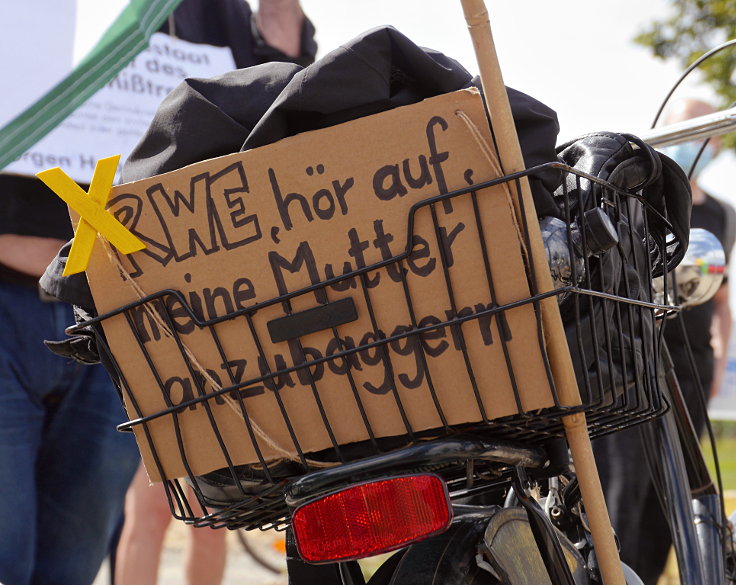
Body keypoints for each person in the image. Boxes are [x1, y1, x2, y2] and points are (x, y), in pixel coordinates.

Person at [111, 2, 316, 585]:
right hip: (144, 283)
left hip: (220, 283)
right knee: (158, 498)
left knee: (209, 504)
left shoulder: (236, 18)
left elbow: (287, 96)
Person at [594, 97, 734, 585]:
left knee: (673, 496)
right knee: (625, 483)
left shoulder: (722, 214)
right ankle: (612, 574)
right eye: (690, 130)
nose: (702, 142)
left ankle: (647, 577)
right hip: (633, 355)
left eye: (708, 134)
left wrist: (717, 361)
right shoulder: (639, 199)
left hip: (691, 365)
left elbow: (721, 299)